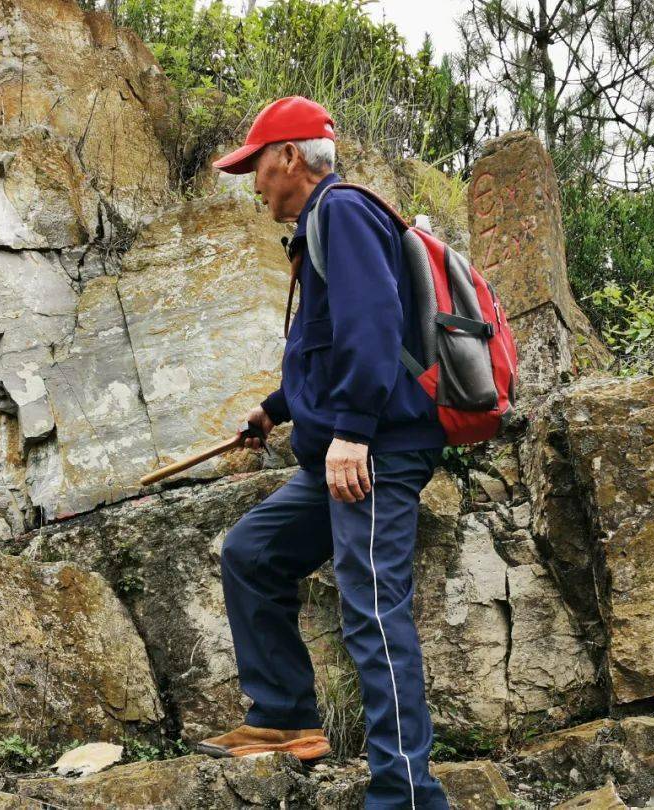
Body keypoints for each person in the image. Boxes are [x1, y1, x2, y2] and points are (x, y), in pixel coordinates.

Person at [196, 96, 450, 810]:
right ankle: (283, 718)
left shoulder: (340, 212)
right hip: (344, 451)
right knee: (252, 551)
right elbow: (329, 343)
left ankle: (406, 796)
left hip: (374, 452)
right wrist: (272, 410)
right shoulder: (321, 226)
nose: (253, 183)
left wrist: (355, 432)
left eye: (255, 166)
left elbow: (372, 327)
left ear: (289, 157)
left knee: (371, 608)